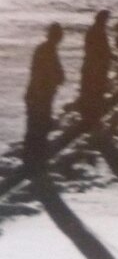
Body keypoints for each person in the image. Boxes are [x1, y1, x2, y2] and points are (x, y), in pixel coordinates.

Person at [23, 23, 65, 167]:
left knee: (40, 126)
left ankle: (36, 156)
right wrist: (40, 93)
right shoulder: (45, 50)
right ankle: (32, 159)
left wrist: (59, 77)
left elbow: (57, 72)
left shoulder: (49, 49)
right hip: (38, 96)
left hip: (43, 96)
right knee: (36, 126)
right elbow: (38, 75)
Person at [76, 10, 112, 120]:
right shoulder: (97, 31)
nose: (107, 22)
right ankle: (91, 114)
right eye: (106, 19)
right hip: (95, 66)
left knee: (90, 89)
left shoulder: (95, 30)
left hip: (92, 65)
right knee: (94, 89)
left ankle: (89, 113)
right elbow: (98, 50)